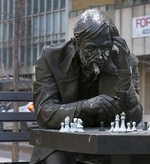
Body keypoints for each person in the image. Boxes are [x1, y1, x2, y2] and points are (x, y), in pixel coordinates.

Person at [30, 9, 143, 164]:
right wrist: (86, 106)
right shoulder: (51, 58)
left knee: (149, 157)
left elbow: (134, 118)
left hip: (104, 148)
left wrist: (122, 73)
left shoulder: (123, 61)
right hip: (61, 146)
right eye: (91, 48)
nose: (99, 55)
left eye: (105, 47)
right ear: (76, 44)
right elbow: (44, 112)